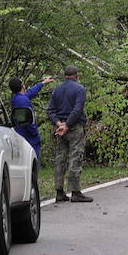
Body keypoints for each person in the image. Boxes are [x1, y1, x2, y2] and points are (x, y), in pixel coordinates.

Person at [46, 65, 92, 203]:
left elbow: (50, 110)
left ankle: (59, 191)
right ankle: (75, 191)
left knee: (60, 159)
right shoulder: (80, 89)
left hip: (60, 128)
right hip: (74, 127)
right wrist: (67, 125)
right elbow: (77, 110)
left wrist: (58, 123)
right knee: (75, 157)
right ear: (77, 75)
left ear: (65, 75)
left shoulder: (57, 89)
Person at [8, 75, 53, 157]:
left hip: (23, 134)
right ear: (22, 86)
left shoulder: (18, 98)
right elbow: (26, 120)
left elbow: (31, 92)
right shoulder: (22, 101)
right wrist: (34, 133)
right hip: (28, 137)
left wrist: (43, 83)